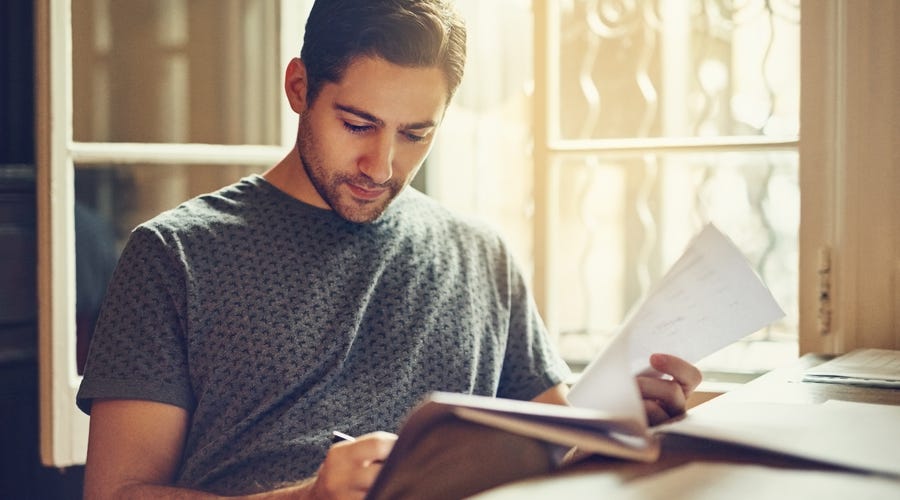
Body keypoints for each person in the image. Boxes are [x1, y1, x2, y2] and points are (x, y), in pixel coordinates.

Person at [76, 1, 702, 498]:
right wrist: (307, 499)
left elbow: (558, 441)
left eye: (415, 133)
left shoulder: (480, 254)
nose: (382, 164)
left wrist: (625, 418)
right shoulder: (175, 255)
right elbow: (116, 494)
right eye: (357, 124)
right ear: (299, 87)